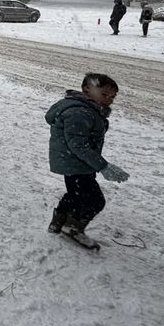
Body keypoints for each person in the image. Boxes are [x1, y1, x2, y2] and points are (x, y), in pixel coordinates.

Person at [45, 73, 129, 250]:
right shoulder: (79, 112)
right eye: (104, 94)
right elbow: (78, 145)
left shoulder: (88, 109)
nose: (109, 100)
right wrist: (103, 166)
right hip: (75, 163)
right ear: (86, 90)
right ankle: (73, 228)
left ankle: (57, 223)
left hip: (73, 163)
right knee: (95, 201)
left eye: (112, 97)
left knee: (75, 195)